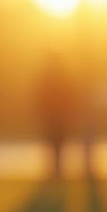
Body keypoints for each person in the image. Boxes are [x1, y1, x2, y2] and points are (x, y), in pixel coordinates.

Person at [36, 50, 78, 179]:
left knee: (57, 144)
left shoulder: (52, 76)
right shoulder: (52, 76)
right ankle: (55, 170)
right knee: (55, 144)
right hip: (54, 116)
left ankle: (56, 170)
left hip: (58, 116)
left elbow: (69, 95)